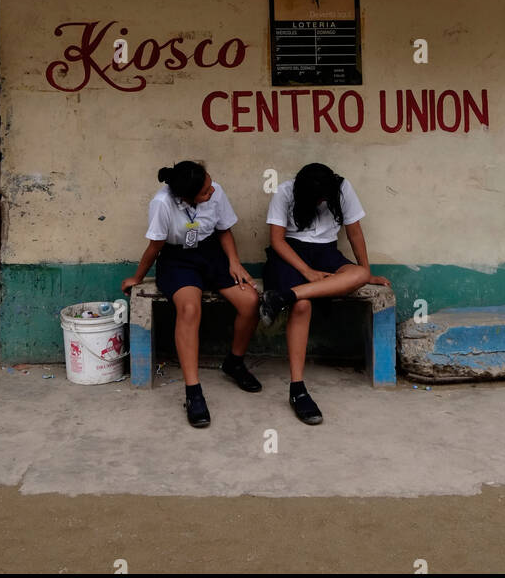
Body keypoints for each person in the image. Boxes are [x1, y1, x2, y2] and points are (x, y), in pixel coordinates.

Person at [122, 161, 261, 427]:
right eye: (205, 192)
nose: (212, 191)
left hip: (211, 255)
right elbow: (155, 246)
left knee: (250, 301)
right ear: (185, 196)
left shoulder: (214, 190)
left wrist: (234, 261)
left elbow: (224, 231)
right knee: (189, 309)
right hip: (177, 261)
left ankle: (234, 362)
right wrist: (137, 277)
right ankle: (193, 391)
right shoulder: (162, 203)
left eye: (210, 185)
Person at [260, 163, 391, 426]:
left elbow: (354, 231)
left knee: (358, 275)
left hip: (327, 253)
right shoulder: (285, 192)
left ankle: (282, 297)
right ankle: (297, 389)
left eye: (324, 198)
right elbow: (277, 240)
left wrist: (366, 272)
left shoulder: (341, 188)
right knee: (303, 305)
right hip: (290, 256)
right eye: (317, 199)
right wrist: (307, 271)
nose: (321, 202)